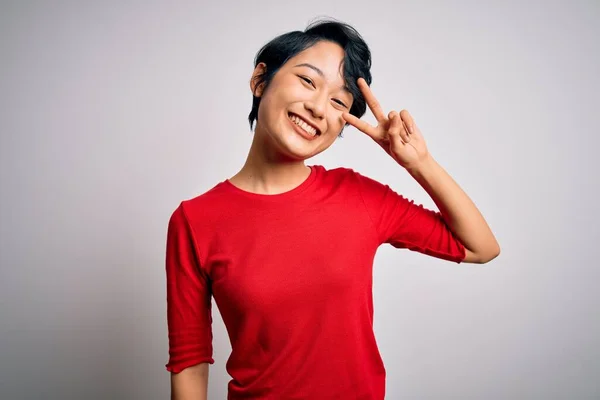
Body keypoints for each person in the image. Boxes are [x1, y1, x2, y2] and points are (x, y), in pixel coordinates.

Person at [165, 18, 500, 400]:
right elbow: (189, 363)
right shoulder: (194, 220)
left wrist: (417, 163)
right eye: (308, 81)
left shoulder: (357, 195)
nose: (318, 107)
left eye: (339, 101)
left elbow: (480, 248)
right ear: (260, 80)